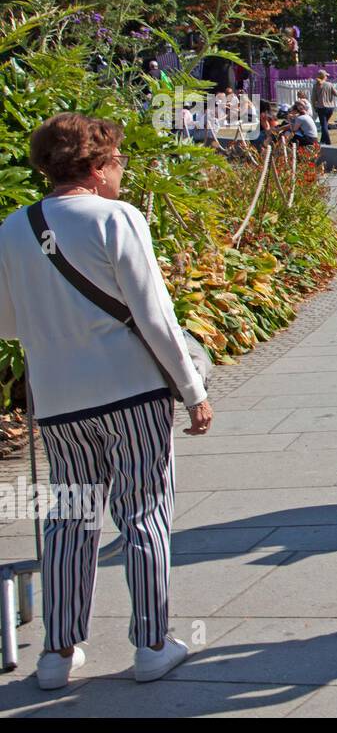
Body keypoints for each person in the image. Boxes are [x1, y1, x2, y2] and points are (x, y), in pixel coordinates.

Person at [0, 113, 212, 690]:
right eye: (117, 161)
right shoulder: (117, 217)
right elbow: (154, 314)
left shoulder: (12, 228)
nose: (123, 171)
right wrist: (192, 392)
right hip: (131, 389)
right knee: (143, 511)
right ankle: (150, 642)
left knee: (70, 517)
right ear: (96, 168)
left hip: (60, 397)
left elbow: (8, 323)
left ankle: (57, 652)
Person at [310, 70, 337, 146]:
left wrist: (314, 106)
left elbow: (313, 98)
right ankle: (323, 140)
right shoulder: (329, 84)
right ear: (324, 77)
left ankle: (328, 142)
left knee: (324, 125)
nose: (327, 77)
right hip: (330, 107)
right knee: (325, 124)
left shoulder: (316, 86)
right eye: (326, 76)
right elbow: (336, 94)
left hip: (321, 107)